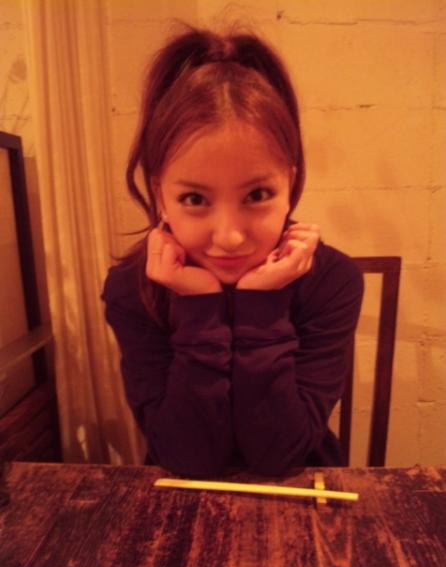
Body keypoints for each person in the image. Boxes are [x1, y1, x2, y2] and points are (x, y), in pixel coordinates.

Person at [101, 22, 364, 478]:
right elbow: (187, 458)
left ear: (290, 184)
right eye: (194, 199)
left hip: (305, 491)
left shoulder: (332, 281)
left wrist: (261, 302)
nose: (229, 237)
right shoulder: (132, 289)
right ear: (161, 195)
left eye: (257, 195)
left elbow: (280, 454)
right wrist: (199, 306)